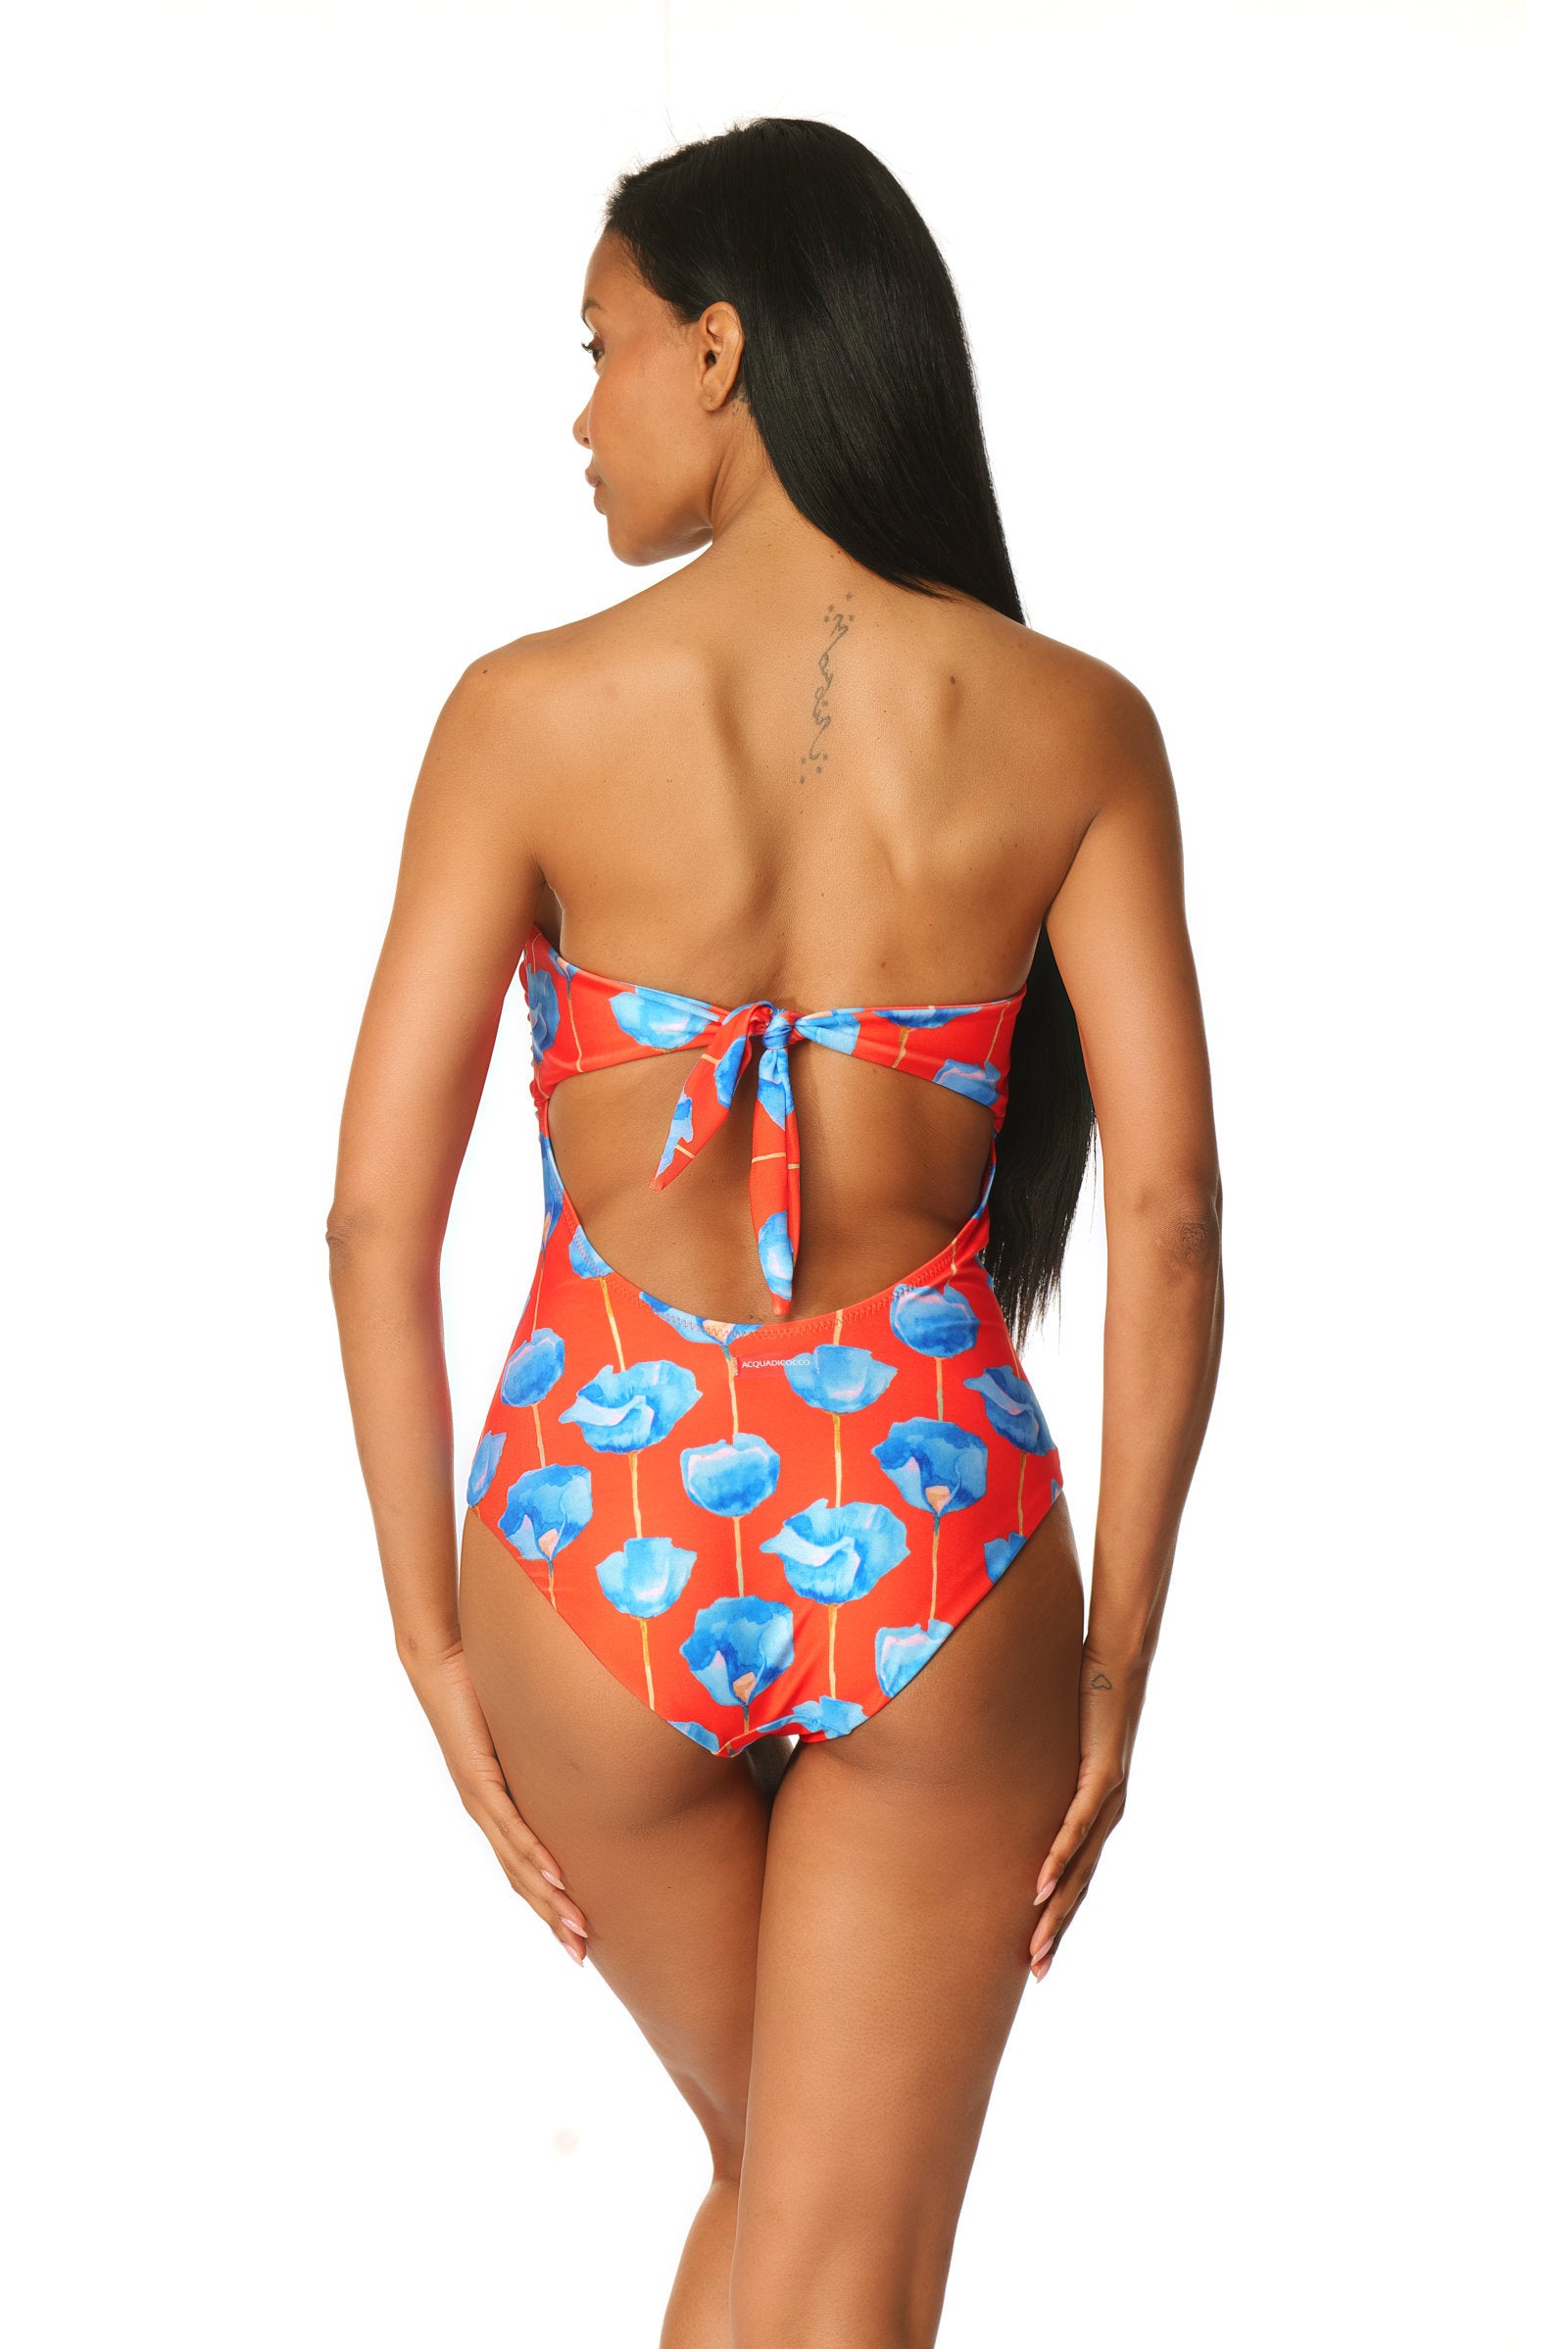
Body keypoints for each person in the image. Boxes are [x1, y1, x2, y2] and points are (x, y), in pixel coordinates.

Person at [328, 116, 1223, 2349]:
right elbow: (1172, 1213)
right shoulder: (1071, 723)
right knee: (838, 2259)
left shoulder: (522, 715)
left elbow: (370, 1212)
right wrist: (1119, 1659)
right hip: (931, 1531)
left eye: (601, 348)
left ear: (720, 350)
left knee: (778, 2201)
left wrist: (431, 1642)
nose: (581, 413)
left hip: (584, 1531)